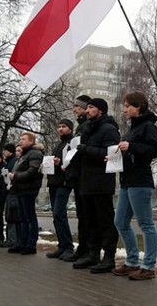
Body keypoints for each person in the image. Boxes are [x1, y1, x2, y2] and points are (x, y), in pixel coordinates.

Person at [112, 92, 157, 280]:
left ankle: (148, 267)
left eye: (127, 106)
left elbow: (154, 150)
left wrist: (130, 147)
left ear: (138, 106)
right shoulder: (131, 129)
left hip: (141, 181)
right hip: (126, 182)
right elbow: (129, 150)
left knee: (146, 224)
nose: (124, 110)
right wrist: (115, 157)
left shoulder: (149, 126)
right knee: (120, 222)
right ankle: (132, 261)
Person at [72, 98, 121, 273]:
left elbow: (111, 154)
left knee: (105, 221)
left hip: (101, 182)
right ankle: (93, 254)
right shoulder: (89, 128)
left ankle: (109, 257)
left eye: (91, 107)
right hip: (87, 181)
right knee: (90, 220)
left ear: (100, 110)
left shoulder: (108, 128)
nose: (87, 111)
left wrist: (86, 150)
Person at [64, 95, 92, 262]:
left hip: (84, 174)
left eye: (77, 106)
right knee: (82, 215)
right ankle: (82, 248)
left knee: (87, 215)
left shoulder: (86, 126)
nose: (74, 109)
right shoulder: (80, 126)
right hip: (78, 175)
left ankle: (87, 249)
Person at [8, 132, 44, 255]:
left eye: (23, 139)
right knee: (23, 218)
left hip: (29, 189)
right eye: (20, 139)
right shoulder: (25, 154)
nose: (20, 141)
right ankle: (22, 243)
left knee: (29, 218)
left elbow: (32, 171)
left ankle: (30, 245)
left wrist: (15, 176)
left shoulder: (35, 153)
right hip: (21, 189)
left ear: (31, 141)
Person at [45, 119, 76, 261]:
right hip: (53, 182)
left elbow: (71, 162)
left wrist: (59, 163)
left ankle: (68, 247)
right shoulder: (59, 144)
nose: (60, 129)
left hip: (64, 182)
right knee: (56, 215)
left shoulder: (72, 143)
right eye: (59, 126)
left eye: (63, 126)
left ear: (70, 128)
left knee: (59, 213)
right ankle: (62, 246)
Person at [3, 145, 21, 248]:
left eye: (19, 150)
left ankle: (13, 240)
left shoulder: (14, 161)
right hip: (9, 191)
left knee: (12, 217)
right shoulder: (10, 161)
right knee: (9, 217)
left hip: (13, 191)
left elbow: (14, 175)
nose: (17, 152)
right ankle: (11, 239)